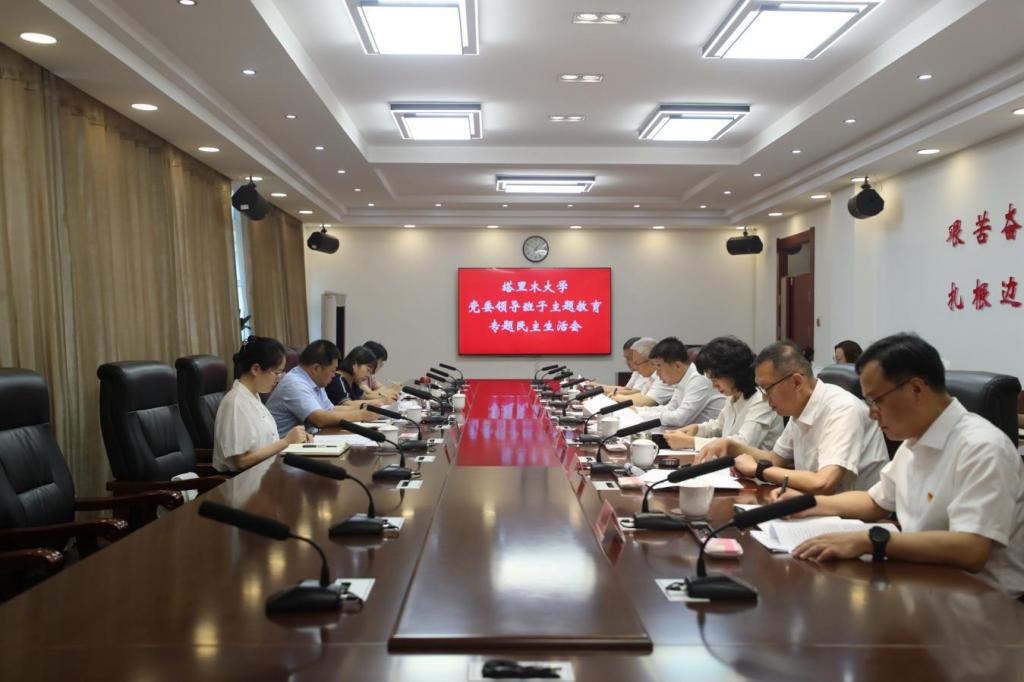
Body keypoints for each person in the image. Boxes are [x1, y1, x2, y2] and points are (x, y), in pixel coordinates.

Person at [775, 333, 1024, 598]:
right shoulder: (914, 440)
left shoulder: (982, 448)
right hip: (925, 584)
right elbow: (876, 501)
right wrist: (807, 504)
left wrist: (868, 540)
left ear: (916, 389)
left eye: (876, 400)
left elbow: (971, 549)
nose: (872, 413)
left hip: (985, 604)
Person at [697, 340, 888, 494]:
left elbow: (824, 482)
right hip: (817, 506)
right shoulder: (800, 407)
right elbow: (775, 459)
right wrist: (731, 446)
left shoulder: (842, 409)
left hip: (856, 519)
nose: (764, 397)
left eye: (767, 388)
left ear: (796, 382)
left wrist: (759, 470)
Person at [664, 336, 783, 451]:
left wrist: (692, 442)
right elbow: (719, 426)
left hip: (755, 464)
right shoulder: (733, 396)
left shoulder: (762, 400)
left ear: (733, 373)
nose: (714, 386)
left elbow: (743, 443)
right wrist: (697, 429)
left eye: (715, 379)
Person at [213, 336, 310, 473]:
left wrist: (296, 438)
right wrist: (286, 441)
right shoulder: (235, 403)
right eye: (276, 373)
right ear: (256, 369)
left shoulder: (253, 396)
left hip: (267, 472)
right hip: (245, 481)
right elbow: (241, 462)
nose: (278, 379)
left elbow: (265, 445)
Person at [267, 339, 376, 437]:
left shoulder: (315, 381)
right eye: (332, 370)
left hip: (308, 439)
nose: (334, 375)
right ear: (316, 368)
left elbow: (330, 409)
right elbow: (319, 419)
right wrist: (361, 415)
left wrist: (366, 408)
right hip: (285, 448)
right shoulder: (295, 383)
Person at [634, 337, 724, 427]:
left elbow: (680, 419)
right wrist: (638, 410)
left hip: (710, 434)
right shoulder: (682, 379)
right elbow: (671, 408)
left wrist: (642, 415)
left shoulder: (699, 379)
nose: (657, 374)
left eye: (659, 368)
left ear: (677, 366)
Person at [611, 337, 676, 406]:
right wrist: (619, 397)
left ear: (651, 362)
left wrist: (619, 397)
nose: (635, 368)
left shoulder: (666, 375)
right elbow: (642, 394)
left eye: (637, 363)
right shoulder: (654, 375)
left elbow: (646, 401)